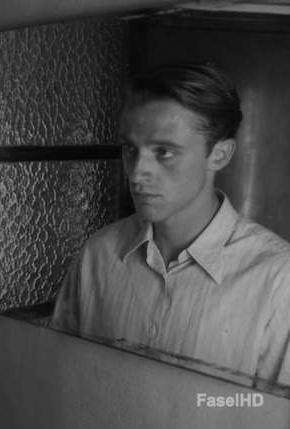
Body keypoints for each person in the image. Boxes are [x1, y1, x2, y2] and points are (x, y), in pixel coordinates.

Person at [52, 62, 290, 385]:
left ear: (219, 155)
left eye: (164, 152)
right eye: (130, 148)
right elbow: (63, 378)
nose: (137, 173)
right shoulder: (98, 253)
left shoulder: (278, 281)